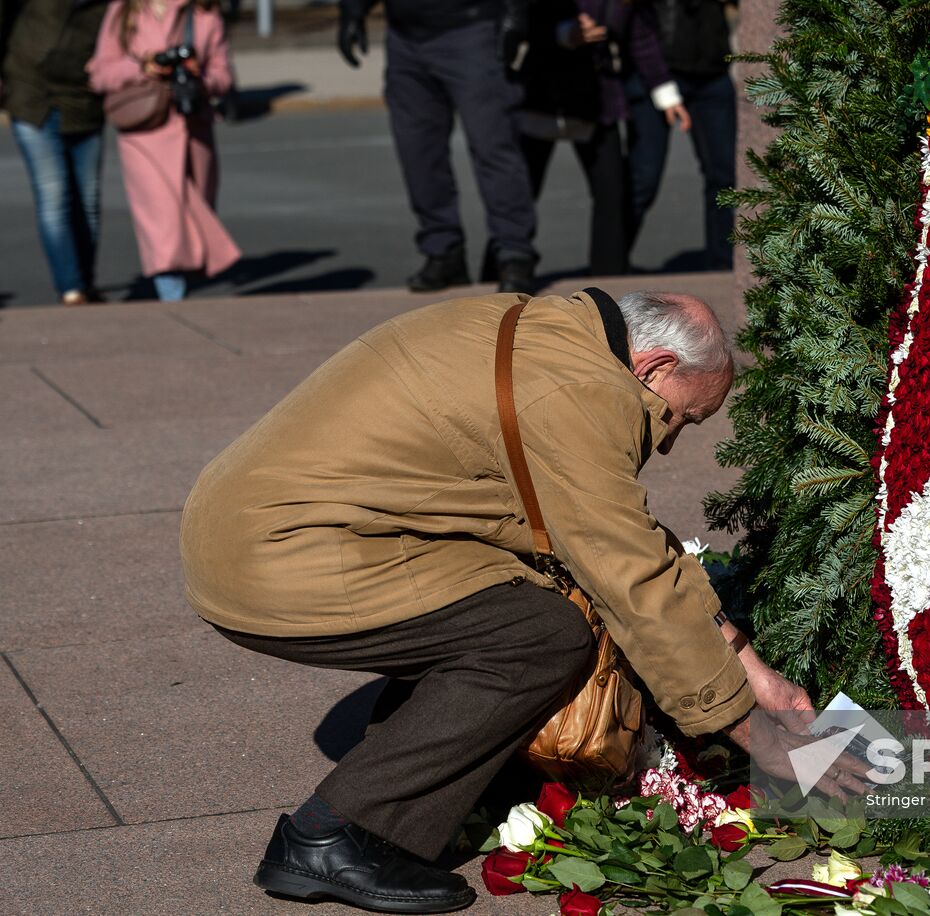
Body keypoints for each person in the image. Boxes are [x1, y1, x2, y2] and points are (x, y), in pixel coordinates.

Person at [180, 288, 868, 912]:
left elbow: (630, 544)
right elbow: (632, 579)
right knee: (538, 635)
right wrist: (760, 737)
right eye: (680, 416)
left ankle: (440, 777)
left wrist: (758, 676)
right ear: (653, 367)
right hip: (274, 558)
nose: (667, 438)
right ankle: (334, 833)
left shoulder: (554, 332)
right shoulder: (581, 393)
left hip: (256, 528)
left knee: (522, 602)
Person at [337, 0, 539, 294]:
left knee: (493, 148)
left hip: (471, 29)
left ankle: (514, 253)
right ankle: (444, 251)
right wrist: (353, 11)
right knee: (418, 152)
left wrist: (517, 16)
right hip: (406, 37)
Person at [514, 0, 688, 277]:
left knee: (612, 191)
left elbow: (642, 39)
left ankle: (608, 278)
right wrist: (565, 33)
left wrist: (666, 95)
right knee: (518, 193)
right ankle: (502, 270)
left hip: (597, 102)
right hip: (543, 97)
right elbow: (522, 23)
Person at [87, 0, 240, 302]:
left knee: (195, 221)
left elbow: (224, 75)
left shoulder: (203, 12)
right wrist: (144, 66)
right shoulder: (124, 10)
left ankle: (179, 287)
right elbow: (100, 74)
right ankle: (172, 297)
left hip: (193, 129)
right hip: (144, 132)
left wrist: (200, 77)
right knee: (161, 223)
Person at [1, 0, 109, 305]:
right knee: (54, 196)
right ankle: (71, 288)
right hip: (33, 95)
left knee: (88, 199)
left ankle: (85, 283)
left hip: (87, 98)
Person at [626, 0, 736, 270]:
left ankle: (723, 264)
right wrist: (660, 85)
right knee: (643, 177)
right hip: (654, 68)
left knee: (723, 174)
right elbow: (635, 21)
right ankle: (610, 261)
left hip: (711, 69)